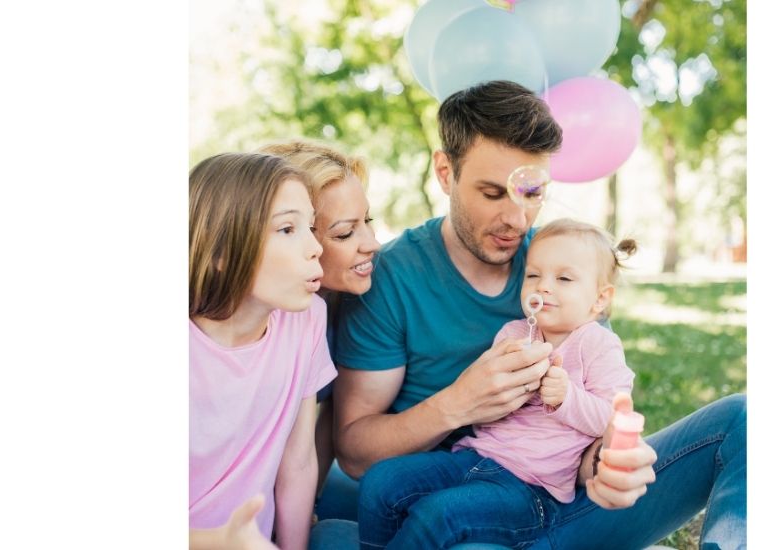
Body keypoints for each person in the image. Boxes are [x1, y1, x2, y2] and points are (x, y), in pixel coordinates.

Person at [333, 80, 747, 549]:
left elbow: (596, 412)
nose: (518, 218)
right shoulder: (392, 278)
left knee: (744, 418)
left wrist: (606, 464)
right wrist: (457, 404)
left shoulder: (560, 264)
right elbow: (353, 452)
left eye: (532, 193)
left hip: (565, 501)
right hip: (467, 499)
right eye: (493, 193)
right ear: (445, 173)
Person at [357, 219, 641, 548]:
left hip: (533, 488)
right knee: (381, 481)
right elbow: (484, 411)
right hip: (477, 457)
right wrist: (502, 391)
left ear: (599, 299)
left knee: (439, 515)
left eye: (563, 278)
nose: (543, 287)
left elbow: (610, 419)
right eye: (534, 275)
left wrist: (566, 397)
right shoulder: (514, 334)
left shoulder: (598, 345)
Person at [188, 152, 335, 550]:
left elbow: (299, 461)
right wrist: (219, 542)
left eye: (312, 227)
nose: (315, 247)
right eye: (287, 229)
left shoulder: (307, 319)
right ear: (220, 250)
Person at [258, 140, 382, 512]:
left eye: (368, 222)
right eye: (345, 234)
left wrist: (306, 506)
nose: (372, 244)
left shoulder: (343, 306)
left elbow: (327, 417)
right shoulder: (268, 318)